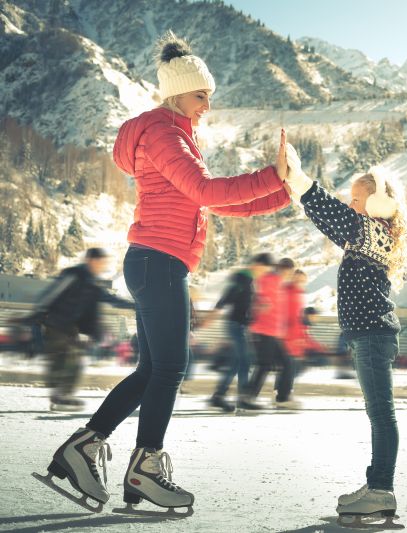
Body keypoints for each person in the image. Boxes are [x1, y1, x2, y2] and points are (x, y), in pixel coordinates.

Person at [38, 32, 291, 514]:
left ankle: (88, 447)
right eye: (202, 96)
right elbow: (207, 190)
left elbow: (216, 205)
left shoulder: (177, 135)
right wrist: (272, 175)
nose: (207, 107)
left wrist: (283, 193)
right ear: (178, 91)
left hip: (158, 261)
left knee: (155, 368)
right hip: (157, 261)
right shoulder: (164, 133)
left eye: (209, 98)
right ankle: (144, 466)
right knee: (170, 367)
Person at [283, 151, 407, 527]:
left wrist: (300, 180)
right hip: (368, 334)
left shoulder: (370, 231)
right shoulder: (372, 234)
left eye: (356, 199)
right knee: (378, 414)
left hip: (373, 335)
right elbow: (333, 217)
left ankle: (382, 490)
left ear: (377, 203)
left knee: (381, 414)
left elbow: (331, 214)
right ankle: (377, 487)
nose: (351, 206)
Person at [26, 248, 134, 411]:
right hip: (56, 323)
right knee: (64, 357)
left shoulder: (93, 283)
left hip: (71, 328)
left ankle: (61, 395)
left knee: (74, 360)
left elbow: (111, 299)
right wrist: (38, 314)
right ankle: (60, 394)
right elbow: (51, 293)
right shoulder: (73, 274)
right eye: (101, 262)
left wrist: (135, 305)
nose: (103, 266)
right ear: (91, 260)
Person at [206, 254, 274, 412]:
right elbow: (228, 296)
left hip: (240, 325)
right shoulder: (242, 278)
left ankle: (219, 396)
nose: (264, 272)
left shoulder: (249, 281)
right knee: (245, 361)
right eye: (265, 269)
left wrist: (259, 305)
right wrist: (214, 312)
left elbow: (244, 301)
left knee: (237, 362)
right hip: (235, 325)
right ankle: (243, 398)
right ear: (258, 264)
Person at [249, 257, 298, 407]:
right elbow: (258, 297)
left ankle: (282, 397)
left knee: (285, 363)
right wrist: (261, 304)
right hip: (263, 330)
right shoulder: (268, 279)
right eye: (288, 272)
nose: (288, 275)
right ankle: (248, 397)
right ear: (283, 269)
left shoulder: (280, 284)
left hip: (273, 332)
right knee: (265, 365)